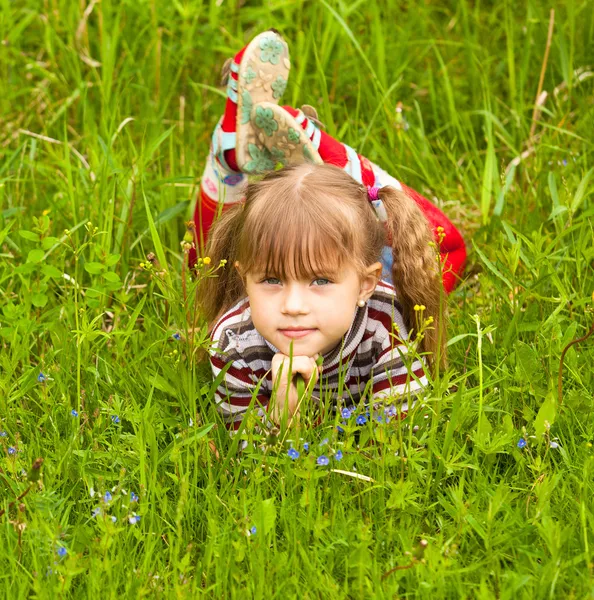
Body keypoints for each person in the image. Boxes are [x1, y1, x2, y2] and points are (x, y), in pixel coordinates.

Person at [190, 29, 466, 294]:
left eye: (320, 283)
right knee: (447, 249)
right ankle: (311, 148)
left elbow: (204, 288)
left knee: (210, 279)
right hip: (343, 273)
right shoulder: (378, 320)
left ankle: (227, 162)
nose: (294, 307)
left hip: (280, 268)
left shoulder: (241, 324)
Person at [198, 163, 444, 431]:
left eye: (321, 281)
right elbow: (249, 460)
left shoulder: (385, 322)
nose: (293, 306)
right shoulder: (232, 342)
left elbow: (401, 439)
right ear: (245, 279)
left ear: (365, 285)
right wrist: (283, 411)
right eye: (271, 280)